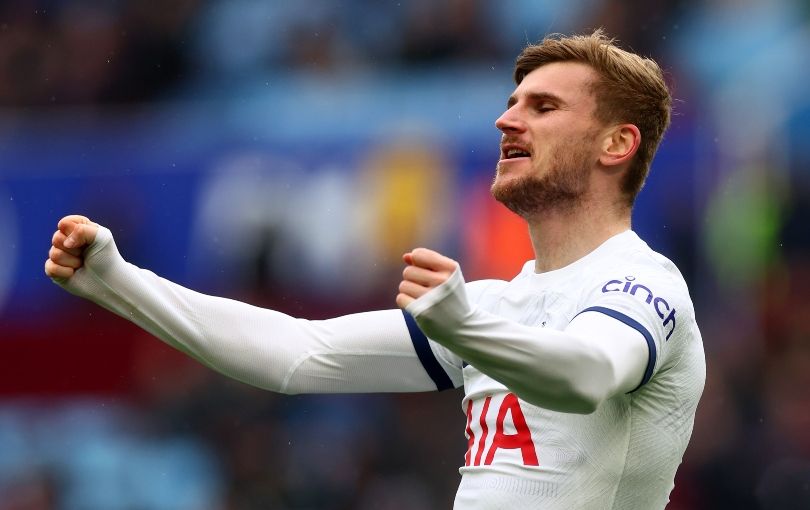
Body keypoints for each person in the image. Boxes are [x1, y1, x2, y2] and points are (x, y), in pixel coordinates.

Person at [45, 30, 705, 509]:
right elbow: (296, 355)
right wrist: (120, 282)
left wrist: (464, 327)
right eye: (512, 102)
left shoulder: (645, 284)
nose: (507, 119)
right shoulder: (500, 305)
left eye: (543, 107)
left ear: (617, 143)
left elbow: (585, 376)